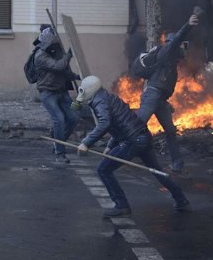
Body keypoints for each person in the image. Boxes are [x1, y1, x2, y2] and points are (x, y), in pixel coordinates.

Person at [75, 75, 191, 218]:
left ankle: (121, 206)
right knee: (156, 170)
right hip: (143, 136)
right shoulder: (107, 97)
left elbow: (104, 124)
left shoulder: (99, 102)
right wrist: (111, 145)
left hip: (133, 140)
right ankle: (181, 199)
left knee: (103, 170)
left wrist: (86, 143)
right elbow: (119, 123)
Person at [136, 13, 199, 173]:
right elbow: (178, 38)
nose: (185, 49)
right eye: (182, 45)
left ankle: (177, 164)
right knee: (135, 125)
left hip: (160, 100)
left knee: (170, 131)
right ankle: (112, 149)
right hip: (152, 96)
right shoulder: (167, 51)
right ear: (175, 44)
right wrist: (189, 25)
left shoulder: (170, 60)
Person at [34, 27, 80, 163]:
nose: (55, 46)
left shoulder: (55, 52)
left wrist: (76, 76)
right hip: (48, 93)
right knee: (59, 119)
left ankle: (58, 141)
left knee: (74, 117)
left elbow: (63, 71)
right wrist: (69, 55)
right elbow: (58, 66)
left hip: (62, 92)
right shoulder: (40, 56)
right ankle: (60, 153)